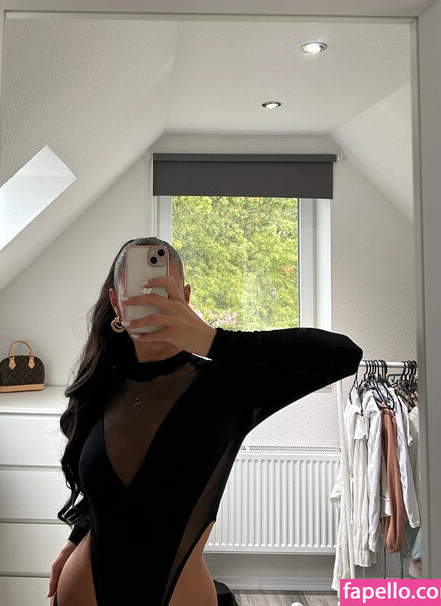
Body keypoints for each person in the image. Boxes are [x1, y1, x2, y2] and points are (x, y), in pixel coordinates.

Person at [48, 237, 363, 606]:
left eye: (163, 293)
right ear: (116, 303)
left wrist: (212, 340)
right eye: (137, 294)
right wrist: (76, 536)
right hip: (81, 592)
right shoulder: (99, 385)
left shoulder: (225, 386)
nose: (153, 305)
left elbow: (343, 354)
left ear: (185, 297)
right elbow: (103, 495)